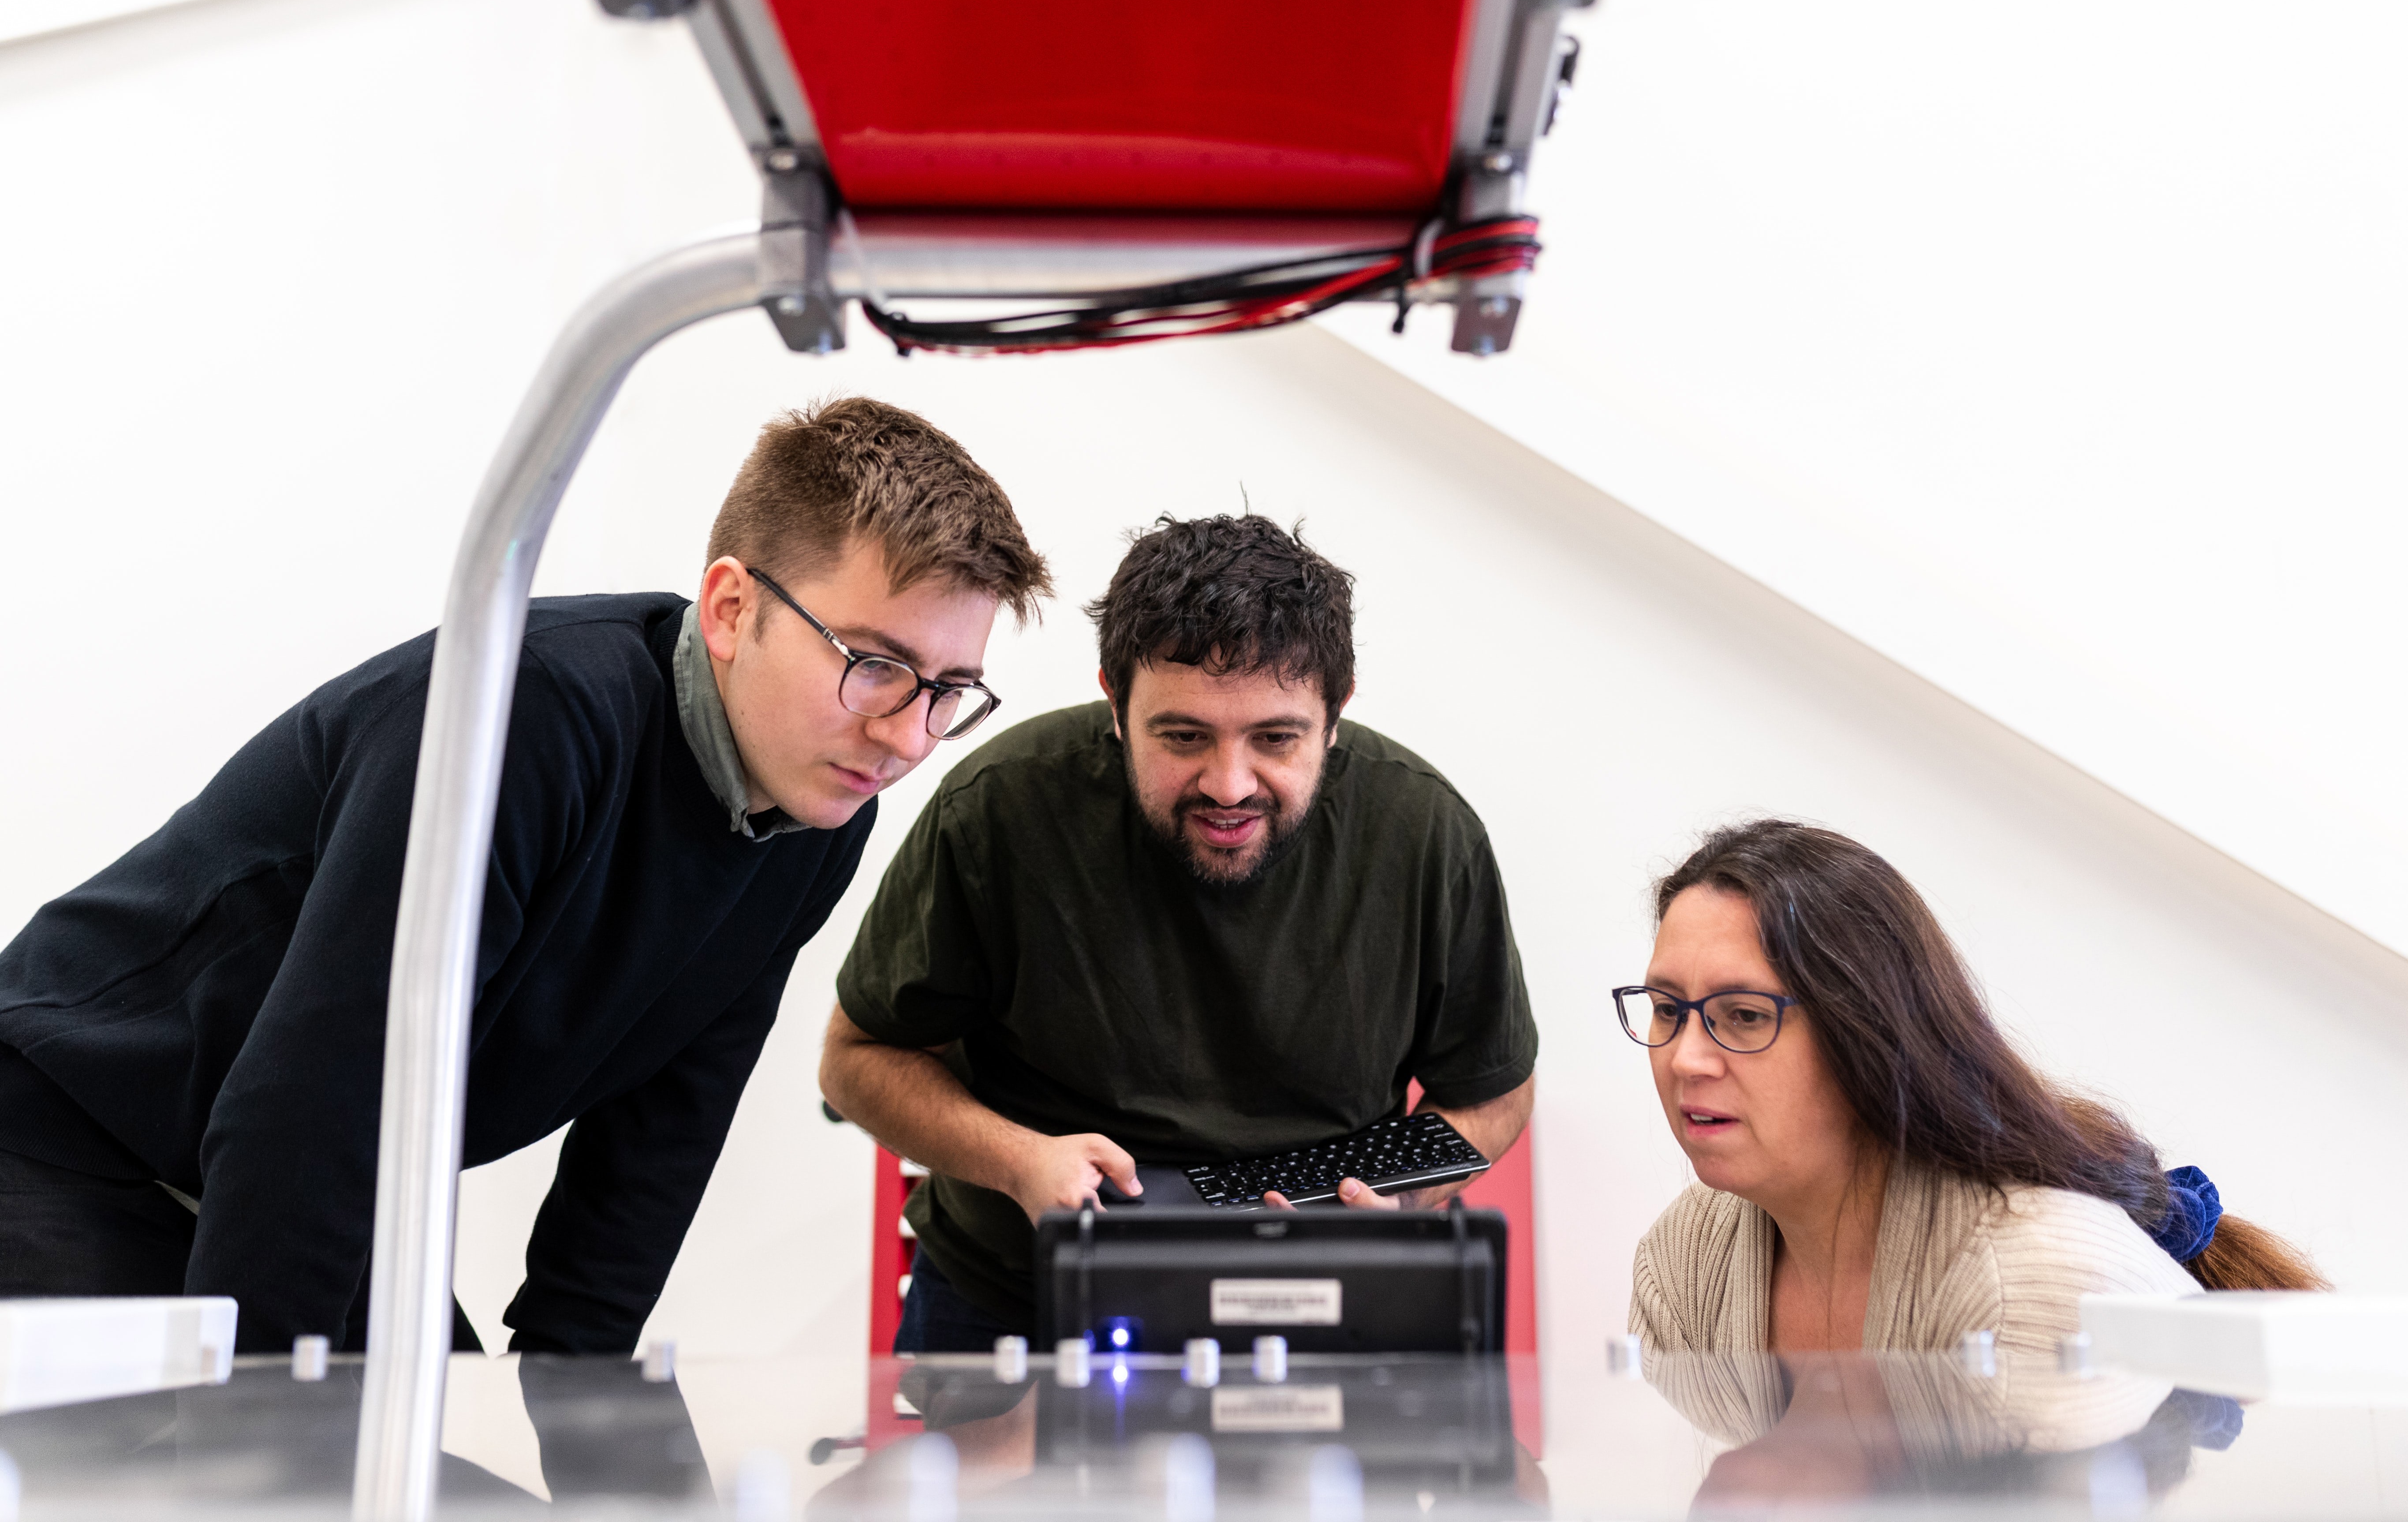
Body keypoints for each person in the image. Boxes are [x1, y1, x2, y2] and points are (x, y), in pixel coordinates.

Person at [0, 398, 1050, 1356]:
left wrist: (583, 1412)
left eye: (948, 691)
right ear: (731, 609)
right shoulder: (528, 719)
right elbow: (313, 1104)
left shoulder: (816, 802)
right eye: (873, 664)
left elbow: (659, 1139)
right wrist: (257, 1460)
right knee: (202, 1473)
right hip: (70, 1138)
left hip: (292, 1186)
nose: (907, 737)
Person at [822, 514, 1538, 1349]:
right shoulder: (999, 808)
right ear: (1115, 704)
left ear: (1335, 714)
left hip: (1316, 1295)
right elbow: (857, 1059)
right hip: (1021, 1297)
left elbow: (1490, 1089)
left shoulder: (1425, 832)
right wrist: (1018, 1160)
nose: (1229, 785)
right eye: (1183, 736)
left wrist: (1396, 1201)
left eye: (1275, 738)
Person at [1623, 820, 2322, 1357]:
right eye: (1664, 1008)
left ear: (1864, 1031)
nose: (1686, 1058)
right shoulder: (1687, 1257)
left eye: (1742, 1016)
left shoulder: (2046, 1279)